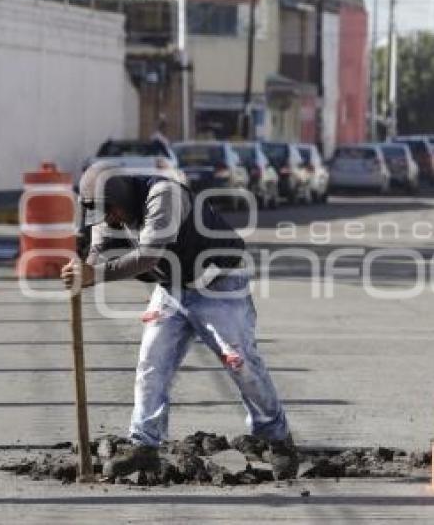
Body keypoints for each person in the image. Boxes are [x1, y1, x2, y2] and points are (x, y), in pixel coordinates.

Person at [61, 162, 298, 480]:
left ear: (122, 198)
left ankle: (277, 439)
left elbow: (148, 257)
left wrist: (95, 275)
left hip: (220, 281)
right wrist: (82, 269)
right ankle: (144, 444)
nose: (110, 219)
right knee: (151, 362)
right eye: (104, 214)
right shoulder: (111, 212)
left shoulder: (163, 196)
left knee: (240, 362)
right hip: (172, 288)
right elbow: (98, 250)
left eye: (112, 211)